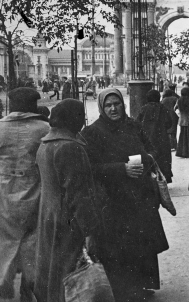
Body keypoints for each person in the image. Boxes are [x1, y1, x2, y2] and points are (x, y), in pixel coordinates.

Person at [81, 89, 168, 301]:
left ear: (123, 104)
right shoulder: (92, 133)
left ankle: (143, 286)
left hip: (140, 195)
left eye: (117, 104)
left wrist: (145, 160)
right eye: (108, 105)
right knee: (119, 247)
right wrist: (122, 168)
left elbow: (152, 150)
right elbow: (90, 167)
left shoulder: (134, 126)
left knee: (142, 243)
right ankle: (123, 291)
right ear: (102, 107)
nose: (113, 108)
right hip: (113, 199)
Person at [32, 99, 100, 302]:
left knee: (53, 270)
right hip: (68, 220)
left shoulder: (45, 144)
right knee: (71, 273)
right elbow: (79, 194)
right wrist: (90, 229)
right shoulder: (71, 148)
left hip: (50, 216)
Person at [0, 88, 48, 301]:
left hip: (4, 192)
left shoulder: (0, 128)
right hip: (34, 189)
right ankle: (30, 288)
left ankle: (4, 285)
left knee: (6, 241)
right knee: (33, 241)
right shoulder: (43, 128)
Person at [137, 90, 174, 183]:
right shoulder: (163, 108)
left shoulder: (143, 109)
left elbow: (137, 123)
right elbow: (169, 122)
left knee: (150, 158)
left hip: (147, 138)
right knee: (163, 159)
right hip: (162, 138)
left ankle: (151, 179)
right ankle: (163, 178)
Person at [175, 87, 189, 158]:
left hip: (182, 120)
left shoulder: (179, 100)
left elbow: (175, 108)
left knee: (182, 137)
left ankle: (182, 152)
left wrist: (180, 114)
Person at [161, 85, 179, 150]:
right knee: (174, 131)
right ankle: (175, 144)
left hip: (166, 115)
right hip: (174, 115)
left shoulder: (164, 100)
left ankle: (170, 145)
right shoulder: (175, 98)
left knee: (168, 131)